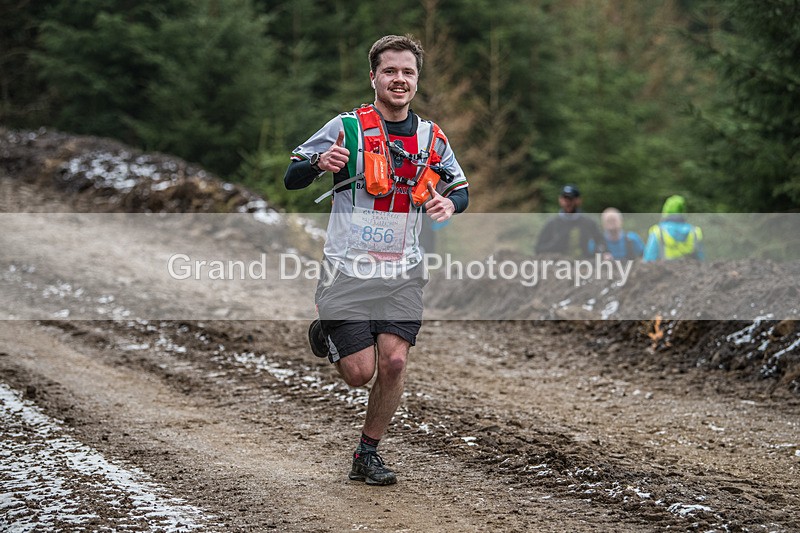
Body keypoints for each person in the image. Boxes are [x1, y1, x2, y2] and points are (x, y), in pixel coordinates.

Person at [283, 34, 469, 486]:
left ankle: (367, 453)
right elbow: (292, 176)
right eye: (390, 71)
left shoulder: (431, 137)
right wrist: (319, 163)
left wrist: (451, 205)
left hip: (403, 269)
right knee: (358, 373)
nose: (399, 80)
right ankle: (326, 332)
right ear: (374, 77)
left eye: (407, 72)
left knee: (395, 363)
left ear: (417, 79)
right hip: (346, 270)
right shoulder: (346, 128)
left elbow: (460, 188)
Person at [535, 184, 605, 258]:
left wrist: (598, 252)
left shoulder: (589, 222)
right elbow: (538, 249)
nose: (568, 203)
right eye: (565, 199)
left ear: (578, 200)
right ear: (560, 200)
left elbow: (601, 243)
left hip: (584, 264)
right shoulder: (552, 223)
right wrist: (554, 245)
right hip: (557, 265)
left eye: (571, 199)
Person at [643, 195, 704, 262]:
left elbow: (648, 261)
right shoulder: (695, 232)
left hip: (664, 272)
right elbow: (701, 262)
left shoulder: (657, 231)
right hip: (691, 271)